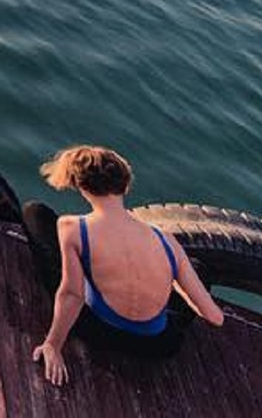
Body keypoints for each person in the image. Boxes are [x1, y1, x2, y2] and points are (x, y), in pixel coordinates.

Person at [25, 145, 224, 384]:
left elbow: (72, 295)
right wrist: (169, 278)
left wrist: (53, 345)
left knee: (35, 212)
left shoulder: (73, 227)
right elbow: (214, 317)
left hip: (93, 329)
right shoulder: (166, 241)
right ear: (125, 184)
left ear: (81, 187)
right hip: (158, 346)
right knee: (197, 268)